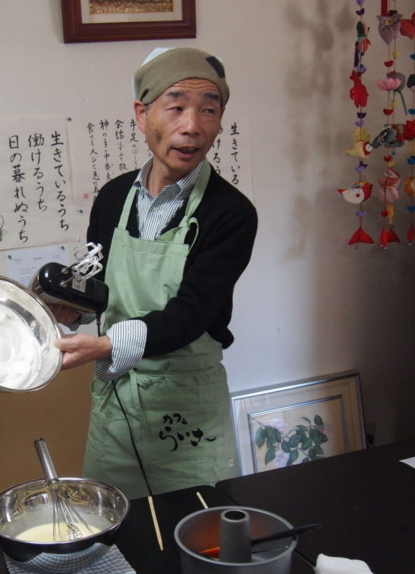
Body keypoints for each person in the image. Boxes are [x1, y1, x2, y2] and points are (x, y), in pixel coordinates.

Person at [54, 47, 257, 499]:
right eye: (177, 105)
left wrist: (108, 344)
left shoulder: (231, 213)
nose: (193, 125)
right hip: (117, 411)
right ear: (142, 115)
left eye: (209, 109)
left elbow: (193, 312)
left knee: (198, 538)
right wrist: (71, 309)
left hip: (187, 407)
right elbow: (99, 286)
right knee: (115, 530)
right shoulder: (111, 199)